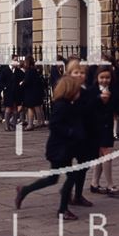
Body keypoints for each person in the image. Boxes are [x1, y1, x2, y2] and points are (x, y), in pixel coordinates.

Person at [14, 75, 85, 220]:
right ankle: (62, 209)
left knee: (53, 178)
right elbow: (54, 125)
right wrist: (71, 131)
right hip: (59, 149)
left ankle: (25, 190)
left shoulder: (68, 104)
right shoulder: (62, 105)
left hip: (63, 149)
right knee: (71, 176)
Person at [89, 65, 119, 196]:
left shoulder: (114, 91)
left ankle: (94, 183)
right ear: (97, 78)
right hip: (95, 127)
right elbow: (87, 106)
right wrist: (100, 99)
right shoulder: (92, 91)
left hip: (108, 127)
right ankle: (110, 185)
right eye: (102, 77)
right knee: (107, 153)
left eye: (107, 77)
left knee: (101, 155)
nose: (105, 80)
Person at [65, 58, 97, 208]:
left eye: (82, 73)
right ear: (69, 74)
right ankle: (67, 195)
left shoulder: (86, 91)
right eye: (76, 72)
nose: (79, 75)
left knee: (84, 165)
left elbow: (90, 111)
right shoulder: (66, 91)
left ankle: (77, 195)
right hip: (70, 135)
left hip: (85, 134)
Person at [0, 55, 25, 131]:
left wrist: (21, 84)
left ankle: (14, 124)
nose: (16, 62)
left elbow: (24, 77)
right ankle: (7, 126)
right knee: (8, 108)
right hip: (8, 92)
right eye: (15, 60)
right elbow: (1, 80)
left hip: (16, 92)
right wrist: (5, 87)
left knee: (15, 108)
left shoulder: (18, 71)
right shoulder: (5, 70)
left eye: (17, 60)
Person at [21, 56, 45, 131]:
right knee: (37, 107)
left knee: (30, 108)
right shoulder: (34, 70)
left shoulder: (29, 71)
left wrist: (22, 83)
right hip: (36, 91)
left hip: (31, 92)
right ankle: (41, 122)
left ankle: (30, 124)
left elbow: (27, 81)